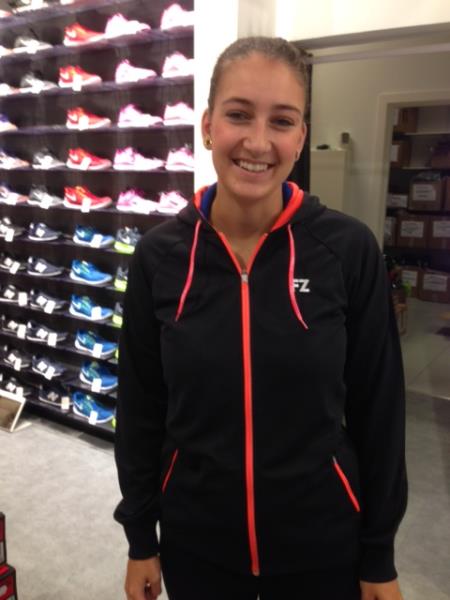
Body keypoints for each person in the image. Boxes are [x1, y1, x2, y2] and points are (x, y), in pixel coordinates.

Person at [114, 36, 407, 600]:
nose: (257, 141)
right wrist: (140, 537)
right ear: (207, 126)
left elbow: (380, 410)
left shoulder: (347, 250)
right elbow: (140, 408)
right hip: (197, 546)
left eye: (282, 121)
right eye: (239, 114)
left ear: (300, 138)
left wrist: (379, 555)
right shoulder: (159, 256)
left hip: (323, 548)